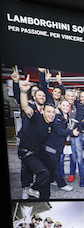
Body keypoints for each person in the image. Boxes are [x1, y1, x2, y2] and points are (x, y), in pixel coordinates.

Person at [15, 72, 58, 201]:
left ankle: (40, 192)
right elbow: (25, 106)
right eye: (48, 112)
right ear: (43, 111)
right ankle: (33, 190)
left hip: (38, 151)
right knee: (43, 173)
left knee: (51, 167)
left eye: (53, 112)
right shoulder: (36, 116)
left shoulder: (50, 123)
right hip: (27, 152)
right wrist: (23, 91)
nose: (51, 114)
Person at [43, 99, 76, 192]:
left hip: (56, 146)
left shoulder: (64, 116)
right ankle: (62, 185)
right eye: (64, 105)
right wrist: (72, 132)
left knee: (51, 166)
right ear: (60, 106)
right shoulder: (57, 116)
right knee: (56, 166)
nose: (66, 107)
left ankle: (52, 180)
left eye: (67, 106)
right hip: (52, 146)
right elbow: (59, 131)